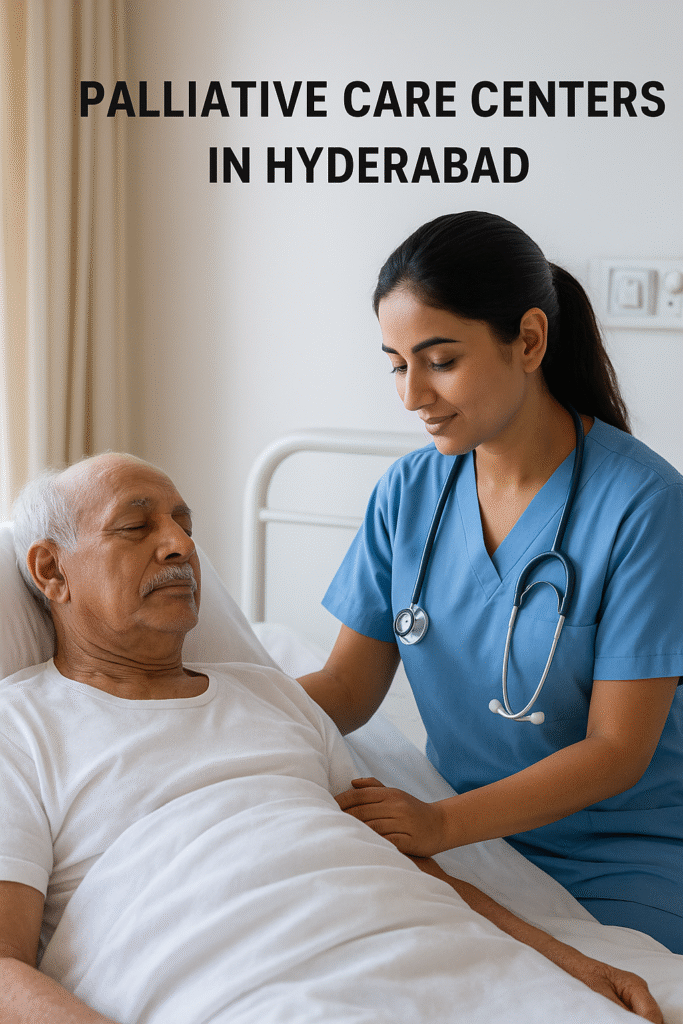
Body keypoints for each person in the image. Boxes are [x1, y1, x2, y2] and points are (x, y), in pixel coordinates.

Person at [0, 453, 664, 1024]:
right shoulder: (21, 729)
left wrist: (562, 958)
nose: (178, 544)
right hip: (247, 978)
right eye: (136, 525)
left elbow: (401, 861)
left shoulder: (272, 696)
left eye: (185, 525)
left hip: (437, 954)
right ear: (51, 572)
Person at [300, 211, 683, 954]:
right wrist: (214, 707)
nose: (411, 395)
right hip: (461, 837)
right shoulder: (407, 494)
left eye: (439, 360)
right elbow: (347, 689)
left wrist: (439, 825)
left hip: (615, 855)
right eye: (395, 363)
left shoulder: (644, 507)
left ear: (529, 341)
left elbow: (616, 750)